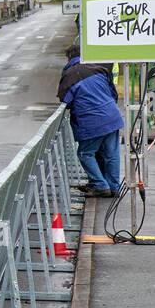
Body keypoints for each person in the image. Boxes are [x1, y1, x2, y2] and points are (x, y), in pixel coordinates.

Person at [58, 45, 123, 198]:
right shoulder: (98, 68)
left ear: (69, 58)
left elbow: (65, 101)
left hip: (92, 121)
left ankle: (100, 185)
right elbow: (113, 94)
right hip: (112, 116)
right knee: (111, 153)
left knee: (85, 153)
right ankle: (114, 187)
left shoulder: (70, 75)